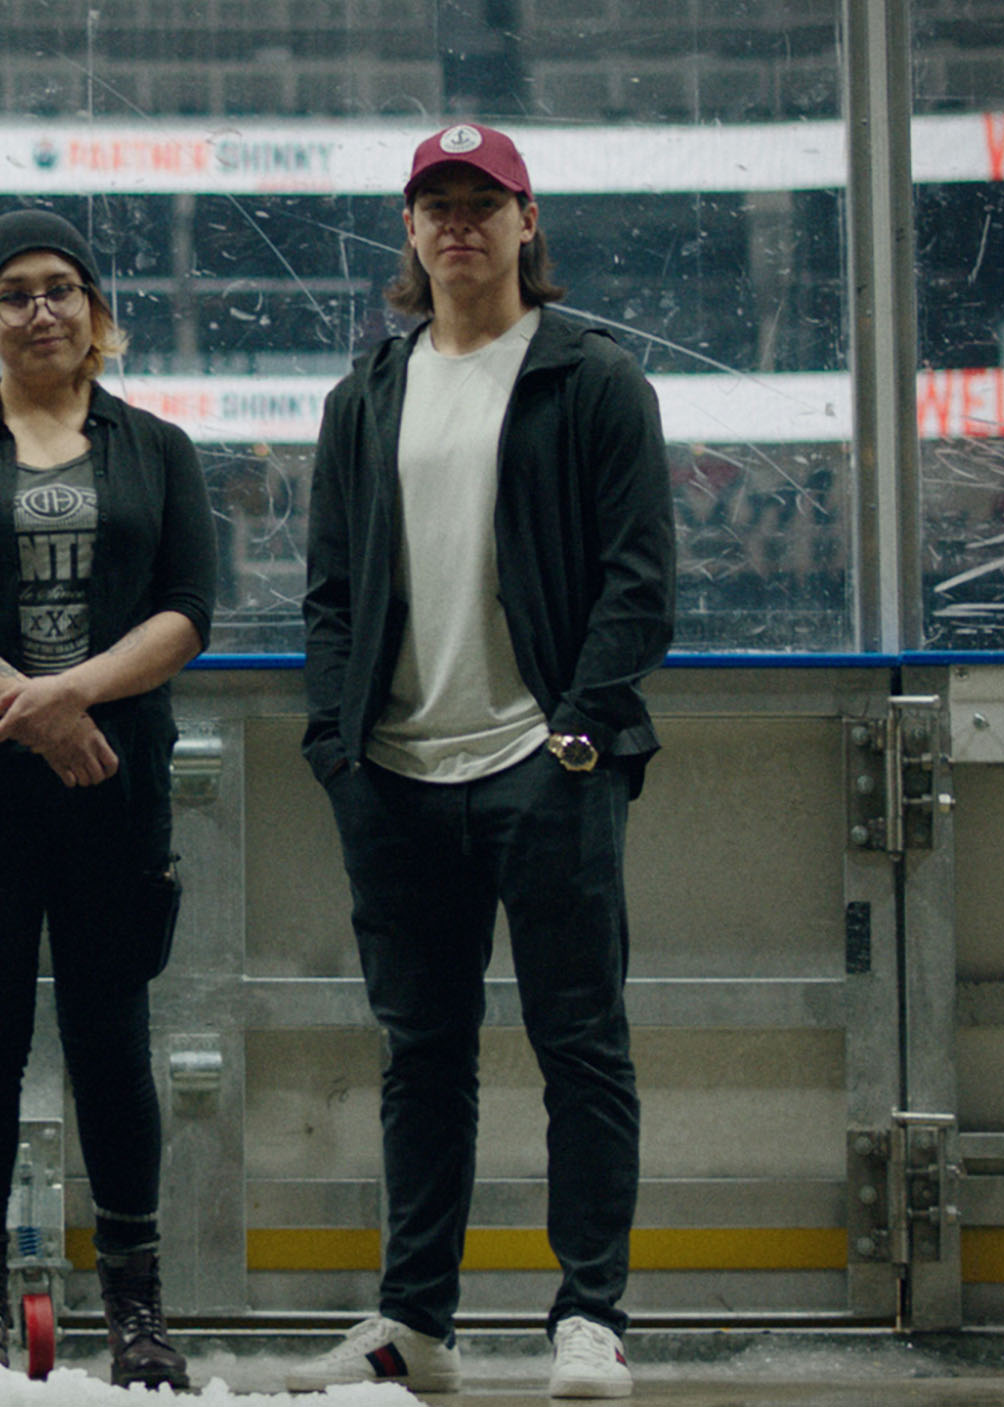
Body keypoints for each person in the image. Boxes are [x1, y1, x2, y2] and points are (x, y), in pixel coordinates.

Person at [285, 122, 673, 1401]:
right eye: (434, 205)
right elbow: (331, 592)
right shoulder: (367, 394)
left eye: (481, 203)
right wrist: (338, 746)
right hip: (394, 775)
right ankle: (415, 1324)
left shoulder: (590, 378)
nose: (457, 224)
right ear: (408, 231)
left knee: (581, 1045)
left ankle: (591, 1317)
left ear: (526, 222)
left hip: (541, 767)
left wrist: (573, 731)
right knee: (422, 1055)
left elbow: (638, 585)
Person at [0, 209, 217, 1389]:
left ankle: (136, 1312)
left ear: (95, 308)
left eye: (60, 287)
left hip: (115, 791)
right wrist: (29, 704)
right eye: (12, 293)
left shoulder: (156, 448)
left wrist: (71, 696)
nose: (39, 310)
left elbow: (186, 609)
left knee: (112, 1042)